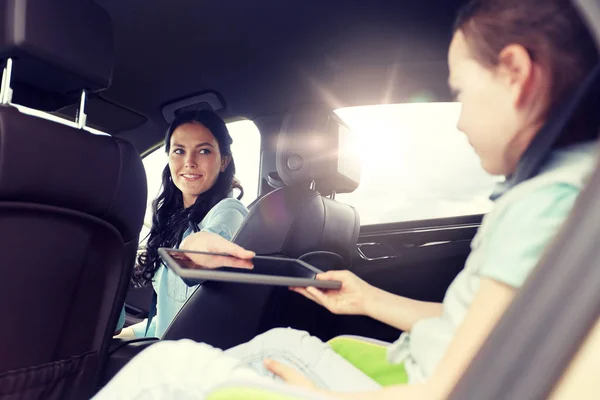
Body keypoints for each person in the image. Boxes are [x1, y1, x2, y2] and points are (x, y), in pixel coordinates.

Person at [96, 0, 599, 398]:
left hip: (420, 386)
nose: (461, 119)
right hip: (417, 369)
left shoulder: (544, 203)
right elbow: (476, 326)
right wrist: (366, 297)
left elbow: (459, 387)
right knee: (278, 342)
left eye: (462, 93)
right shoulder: (555, 192)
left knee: (163, 367)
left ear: (515, 73)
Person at [115, 110, 249, 339]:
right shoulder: (173, 220)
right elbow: (173, 315)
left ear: (224, 161)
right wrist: (126, 335)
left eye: (204, 151)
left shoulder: (229, 212)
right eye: (179, 151)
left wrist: (195, 247)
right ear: (169, 157)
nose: (189, 162)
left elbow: (202, 255)